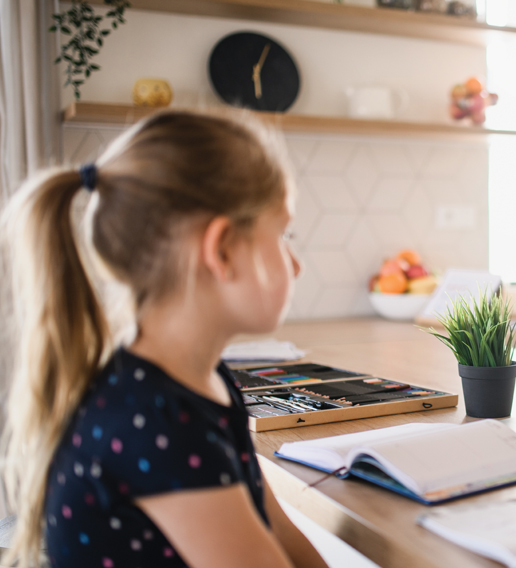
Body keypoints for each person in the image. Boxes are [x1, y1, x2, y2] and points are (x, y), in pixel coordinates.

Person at [0, 111, 329, 568]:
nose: (296, 265)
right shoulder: (156, 418)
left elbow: (273, 524)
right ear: (222, 249)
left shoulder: (202, 378)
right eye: (283, 234)